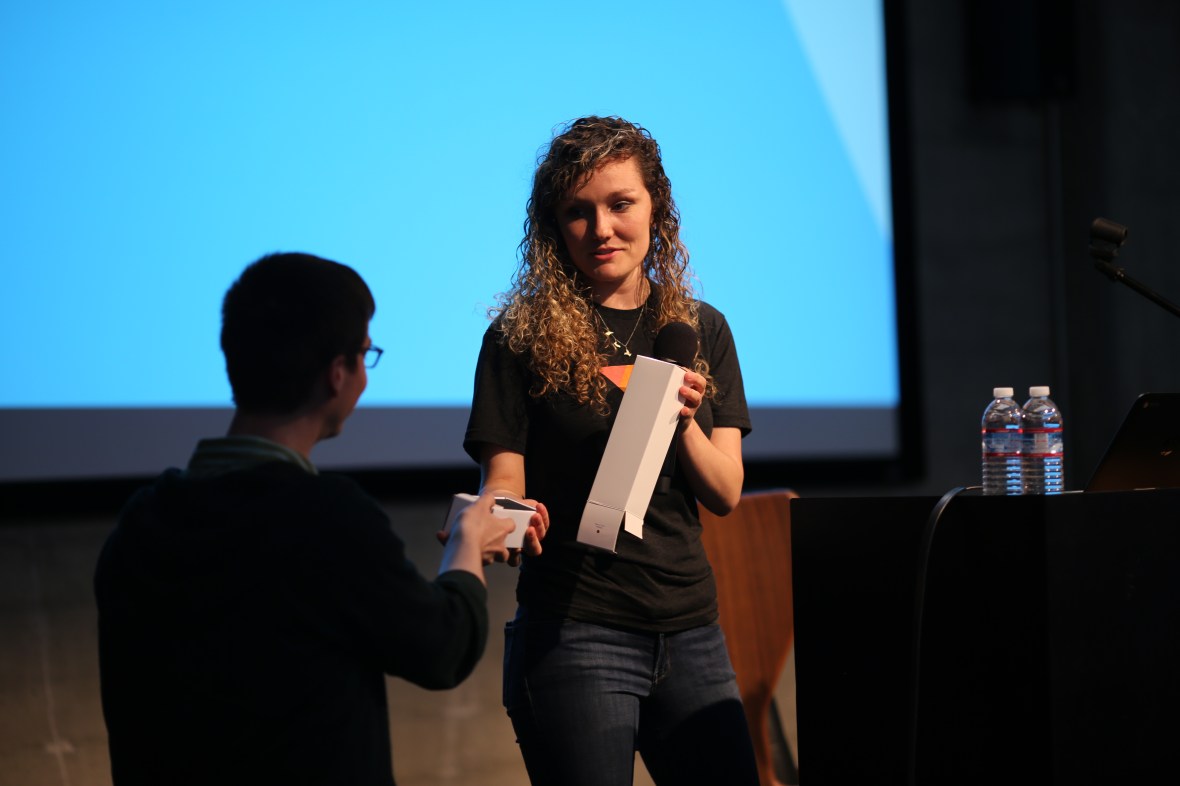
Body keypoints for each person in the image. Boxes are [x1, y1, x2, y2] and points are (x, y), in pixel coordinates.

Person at [94, 252, 546, 786]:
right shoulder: (328, 518)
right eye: (366, 354)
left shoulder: (142, 522)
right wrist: (465, 547)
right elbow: (443, 648)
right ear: (338, 374)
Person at [463, 116, 759, 786]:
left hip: (691, 629)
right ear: (554, 226)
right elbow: (502, 481)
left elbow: (725, 492)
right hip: (577, 630)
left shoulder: (701, 329)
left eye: (620, 204)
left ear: (657, 208)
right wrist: (508, 521)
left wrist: (681, 420)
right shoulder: (518, 336)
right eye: (578, 211)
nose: (601, 229)